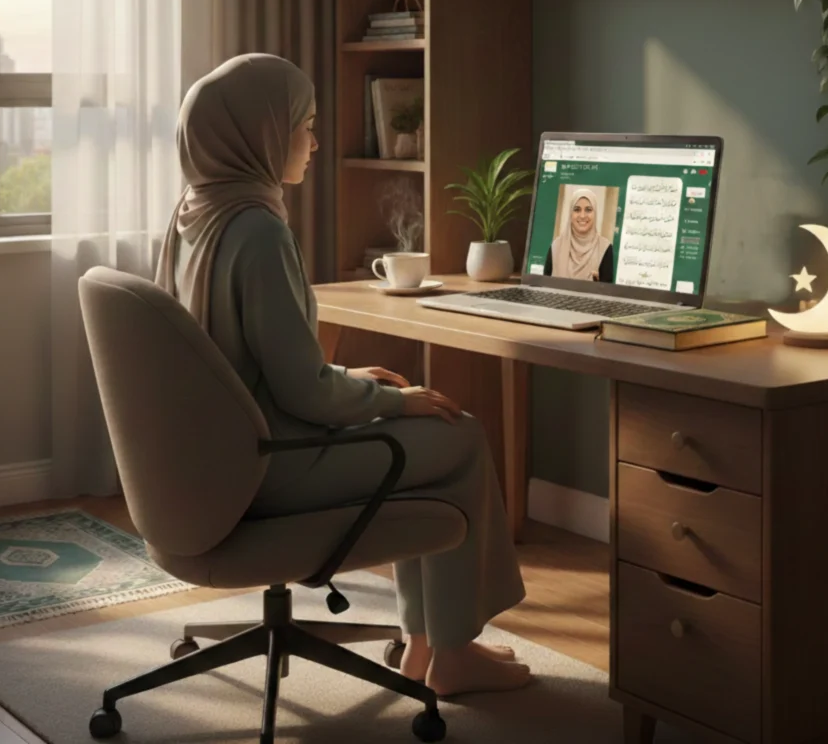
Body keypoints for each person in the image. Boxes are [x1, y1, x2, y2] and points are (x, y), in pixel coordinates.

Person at [154, 54, 531, 697]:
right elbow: (303, 393)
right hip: (272, 464)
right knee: (459, 434)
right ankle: (452, 652)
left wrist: (348, 375)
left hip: (216, 458)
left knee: (428, 435)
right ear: (262, 133)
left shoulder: (196, 212)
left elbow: (241, 359)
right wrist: (391, 401)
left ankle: (427, 646)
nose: (315, 142)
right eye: (304, 126)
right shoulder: (258, 231)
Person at [545, 187, 613, 281]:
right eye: (577, 210)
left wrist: (598, 284)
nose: (582, 216)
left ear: (595, 213)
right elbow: (545, 285)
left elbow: (607, 288)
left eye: (588, 210)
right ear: (570, 214)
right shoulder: (556, 247)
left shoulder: (604, 248)